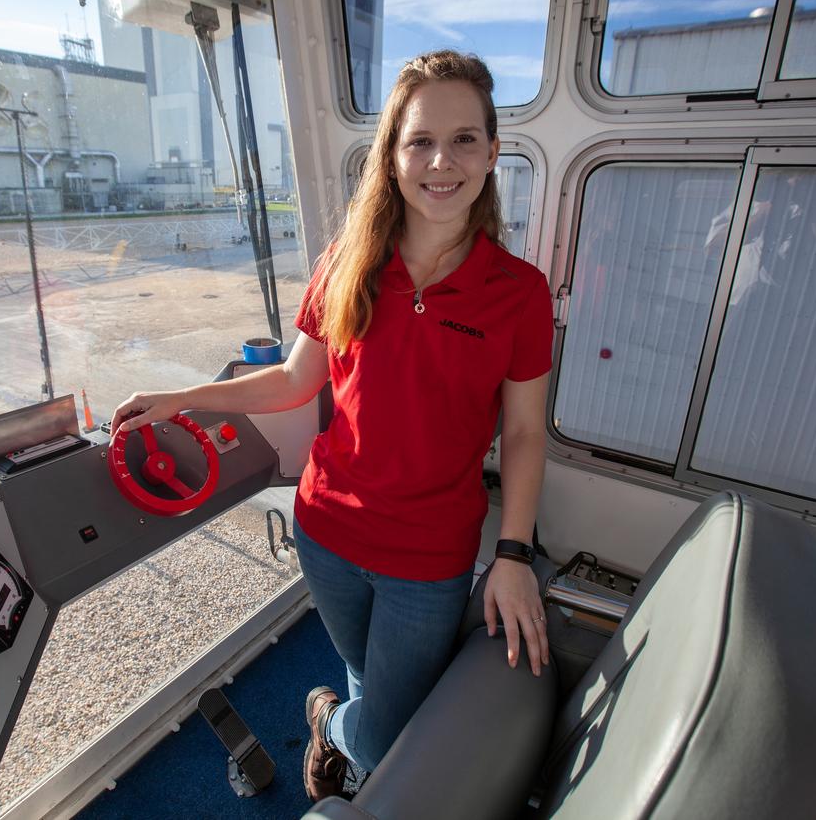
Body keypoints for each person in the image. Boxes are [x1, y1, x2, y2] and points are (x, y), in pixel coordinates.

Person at [110, 50, 554, 802]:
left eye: (464, 139)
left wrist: (512, 552)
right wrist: (184, 397)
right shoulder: (346, 264)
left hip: (429, 552)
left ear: (492, 153)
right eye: (420, 140)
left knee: (388, 726)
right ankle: (349, 750)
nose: (441, 161)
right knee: (362, 673)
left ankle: (329, 728)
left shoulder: (519, 293)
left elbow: (524, 434)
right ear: (392, 153)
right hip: (327, 534)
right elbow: (293, 380)